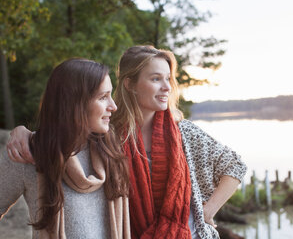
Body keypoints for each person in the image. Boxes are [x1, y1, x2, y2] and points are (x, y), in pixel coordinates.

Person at [7, 46, 247, 239]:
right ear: (130, 84)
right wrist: (26, 134)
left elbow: (234, 165)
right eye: (156, 79)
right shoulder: (107, 135)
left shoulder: (183, 133)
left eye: (168, 79)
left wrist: (208, 210)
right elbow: (67, 130)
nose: (166, 87)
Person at [1, 58, 130, 239]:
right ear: (74, 102)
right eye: (103, 97)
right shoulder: (29, 154)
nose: (113, 106)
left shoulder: (113, 150)